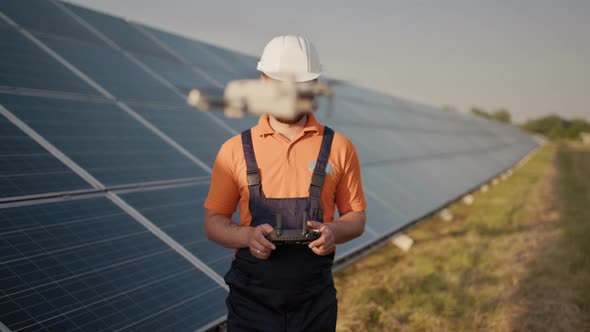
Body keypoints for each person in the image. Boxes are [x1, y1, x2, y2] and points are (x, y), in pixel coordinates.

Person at [203, 35, 367, 331]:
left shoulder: (339, 147)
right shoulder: (234, 150)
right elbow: (213, 221)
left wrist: (332, 232)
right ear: (264, 81)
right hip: (251, 305)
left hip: (314, 304)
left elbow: (356, 218)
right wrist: (247, 237)